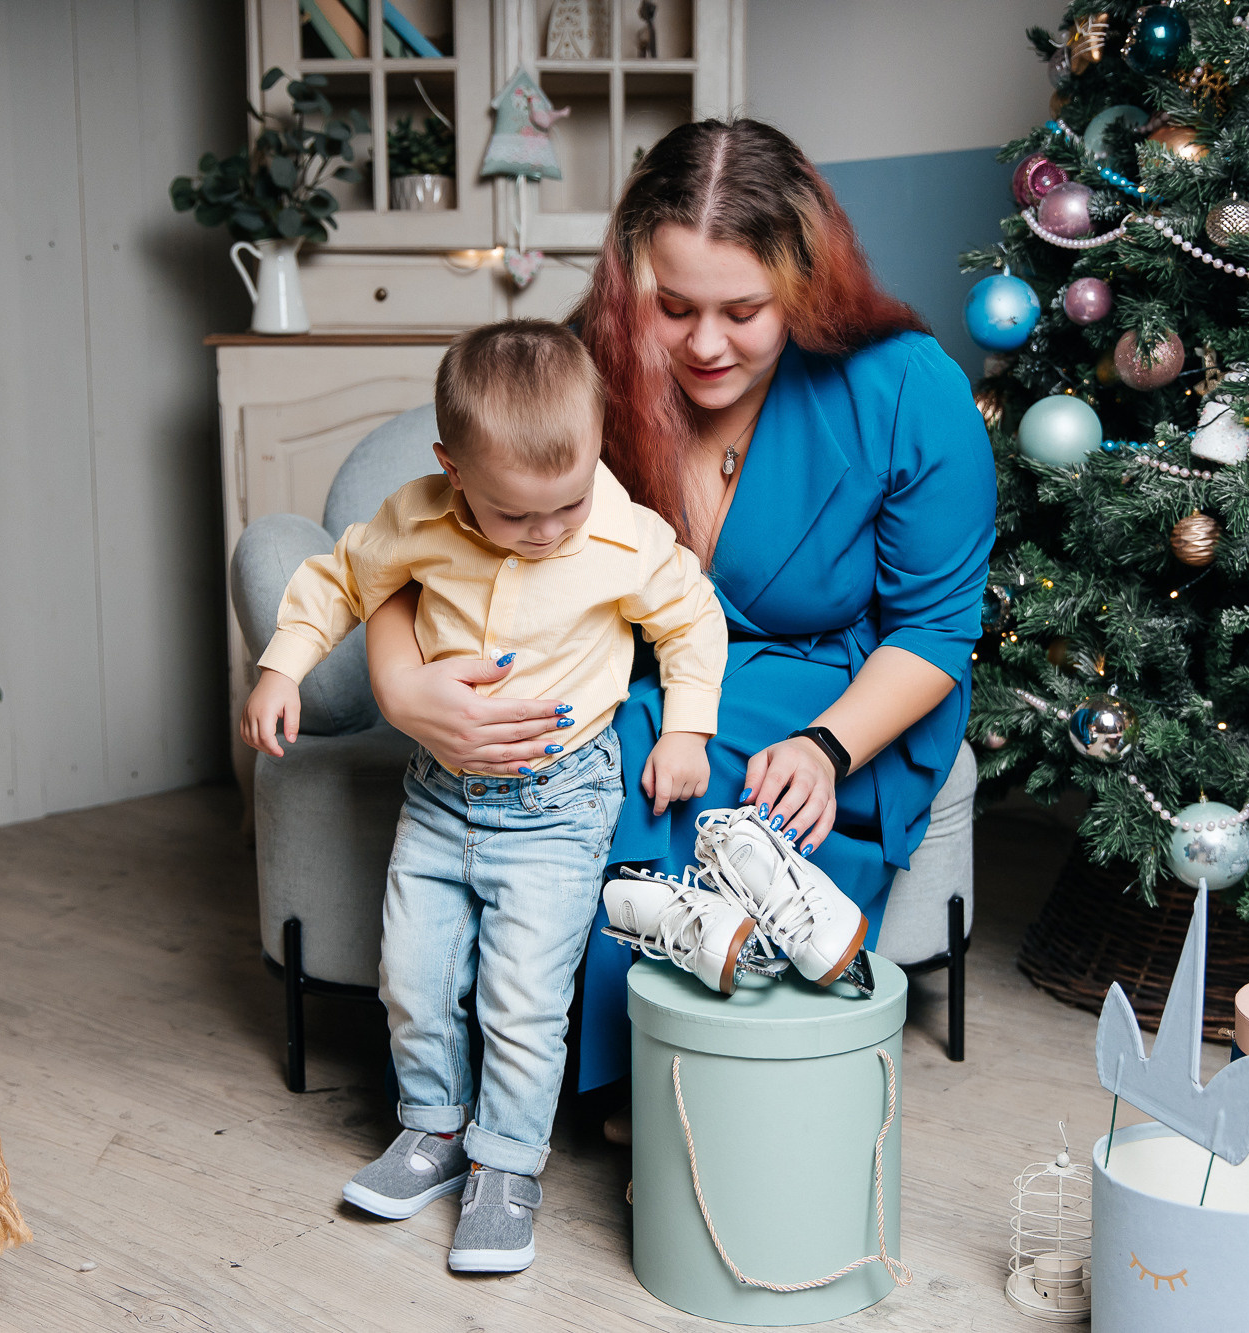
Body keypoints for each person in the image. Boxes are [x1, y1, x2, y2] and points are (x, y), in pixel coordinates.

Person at [362, 118, 997, 1098]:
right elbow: (422, 553)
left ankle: (663, 1086)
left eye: (743, 310)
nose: (705, 344)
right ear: (628, 283)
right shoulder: (579, 371)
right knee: (609, 752)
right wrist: (403, 689)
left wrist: (827, 748)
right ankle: (595, 1077)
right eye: (672, 307)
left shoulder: (908, 387)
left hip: (844, 689)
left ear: (804, 284)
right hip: (636, 673)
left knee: (674, 783)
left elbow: (935, 628)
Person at [239, 320, 726, 1272]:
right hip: (439, 796)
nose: (547, 532)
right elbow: (336, 580)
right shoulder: (415, 519)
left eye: (567, 504)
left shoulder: (621, 535)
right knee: (413, 979)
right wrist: (281, 669)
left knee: (520, 999)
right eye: (514, 515)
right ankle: (432, 1131)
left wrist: (686, 729)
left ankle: (507, 1165)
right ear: (451, 467)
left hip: (559, 803)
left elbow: (691, 620)